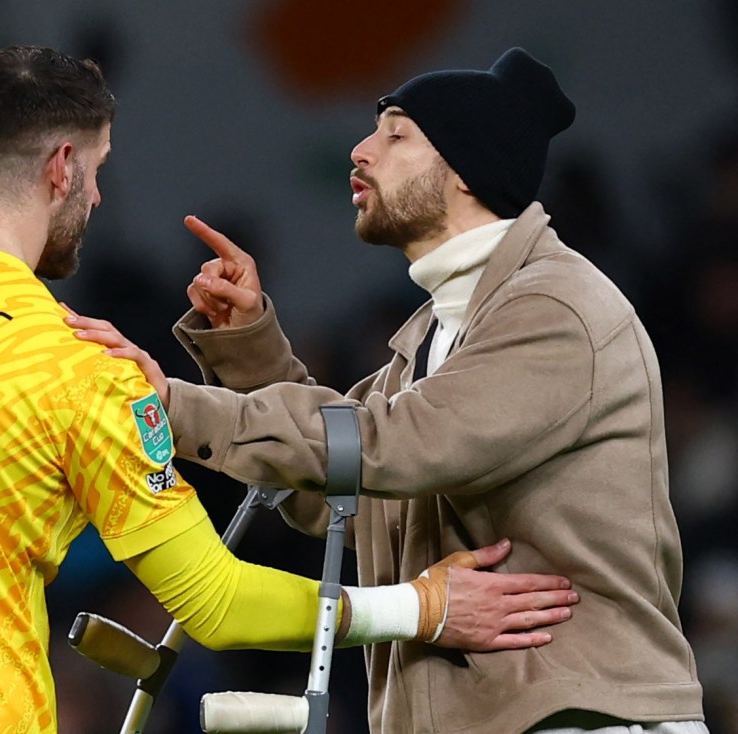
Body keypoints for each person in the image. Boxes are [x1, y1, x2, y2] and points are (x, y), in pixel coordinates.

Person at [0, 45, 581, 734]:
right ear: (63, 167)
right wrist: (416, 608)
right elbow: (215, 601)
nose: (96, 198)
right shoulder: (81, 360)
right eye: (97, 172)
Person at [70, 48, 708, 733]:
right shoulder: (434, 338)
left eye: (396, 134)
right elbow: (341, 498)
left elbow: (387, 447)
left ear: (465, 171)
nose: (362, 150)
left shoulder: (556, 307)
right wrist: (250, 348)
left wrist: (169, 404)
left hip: (582, 717)